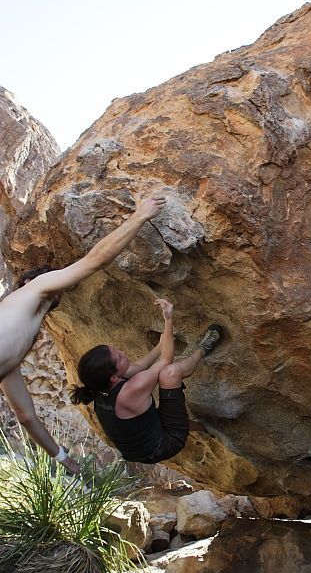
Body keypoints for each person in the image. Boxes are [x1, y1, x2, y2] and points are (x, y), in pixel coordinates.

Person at [0, 193, 166, 473]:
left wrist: (62, 458)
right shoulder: (33, 288)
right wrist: (140, 216)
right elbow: (95, 261)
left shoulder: (12, 355)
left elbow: (26, 416)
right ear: (29, 280)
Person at [71, 299, 222, 464]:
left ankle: (206, 428)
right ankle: (202, 350)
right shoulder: (130, 391)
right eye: (119, 356)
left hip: (141, 441)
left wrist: (161, 343)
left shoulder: (99, 384)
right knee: (169, 374)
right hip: (162, 446)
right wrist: (168, 320)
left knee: (158, 415)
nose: (122, 352)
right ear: (113, 377)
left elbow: (140, 366)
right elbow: (166, 361)